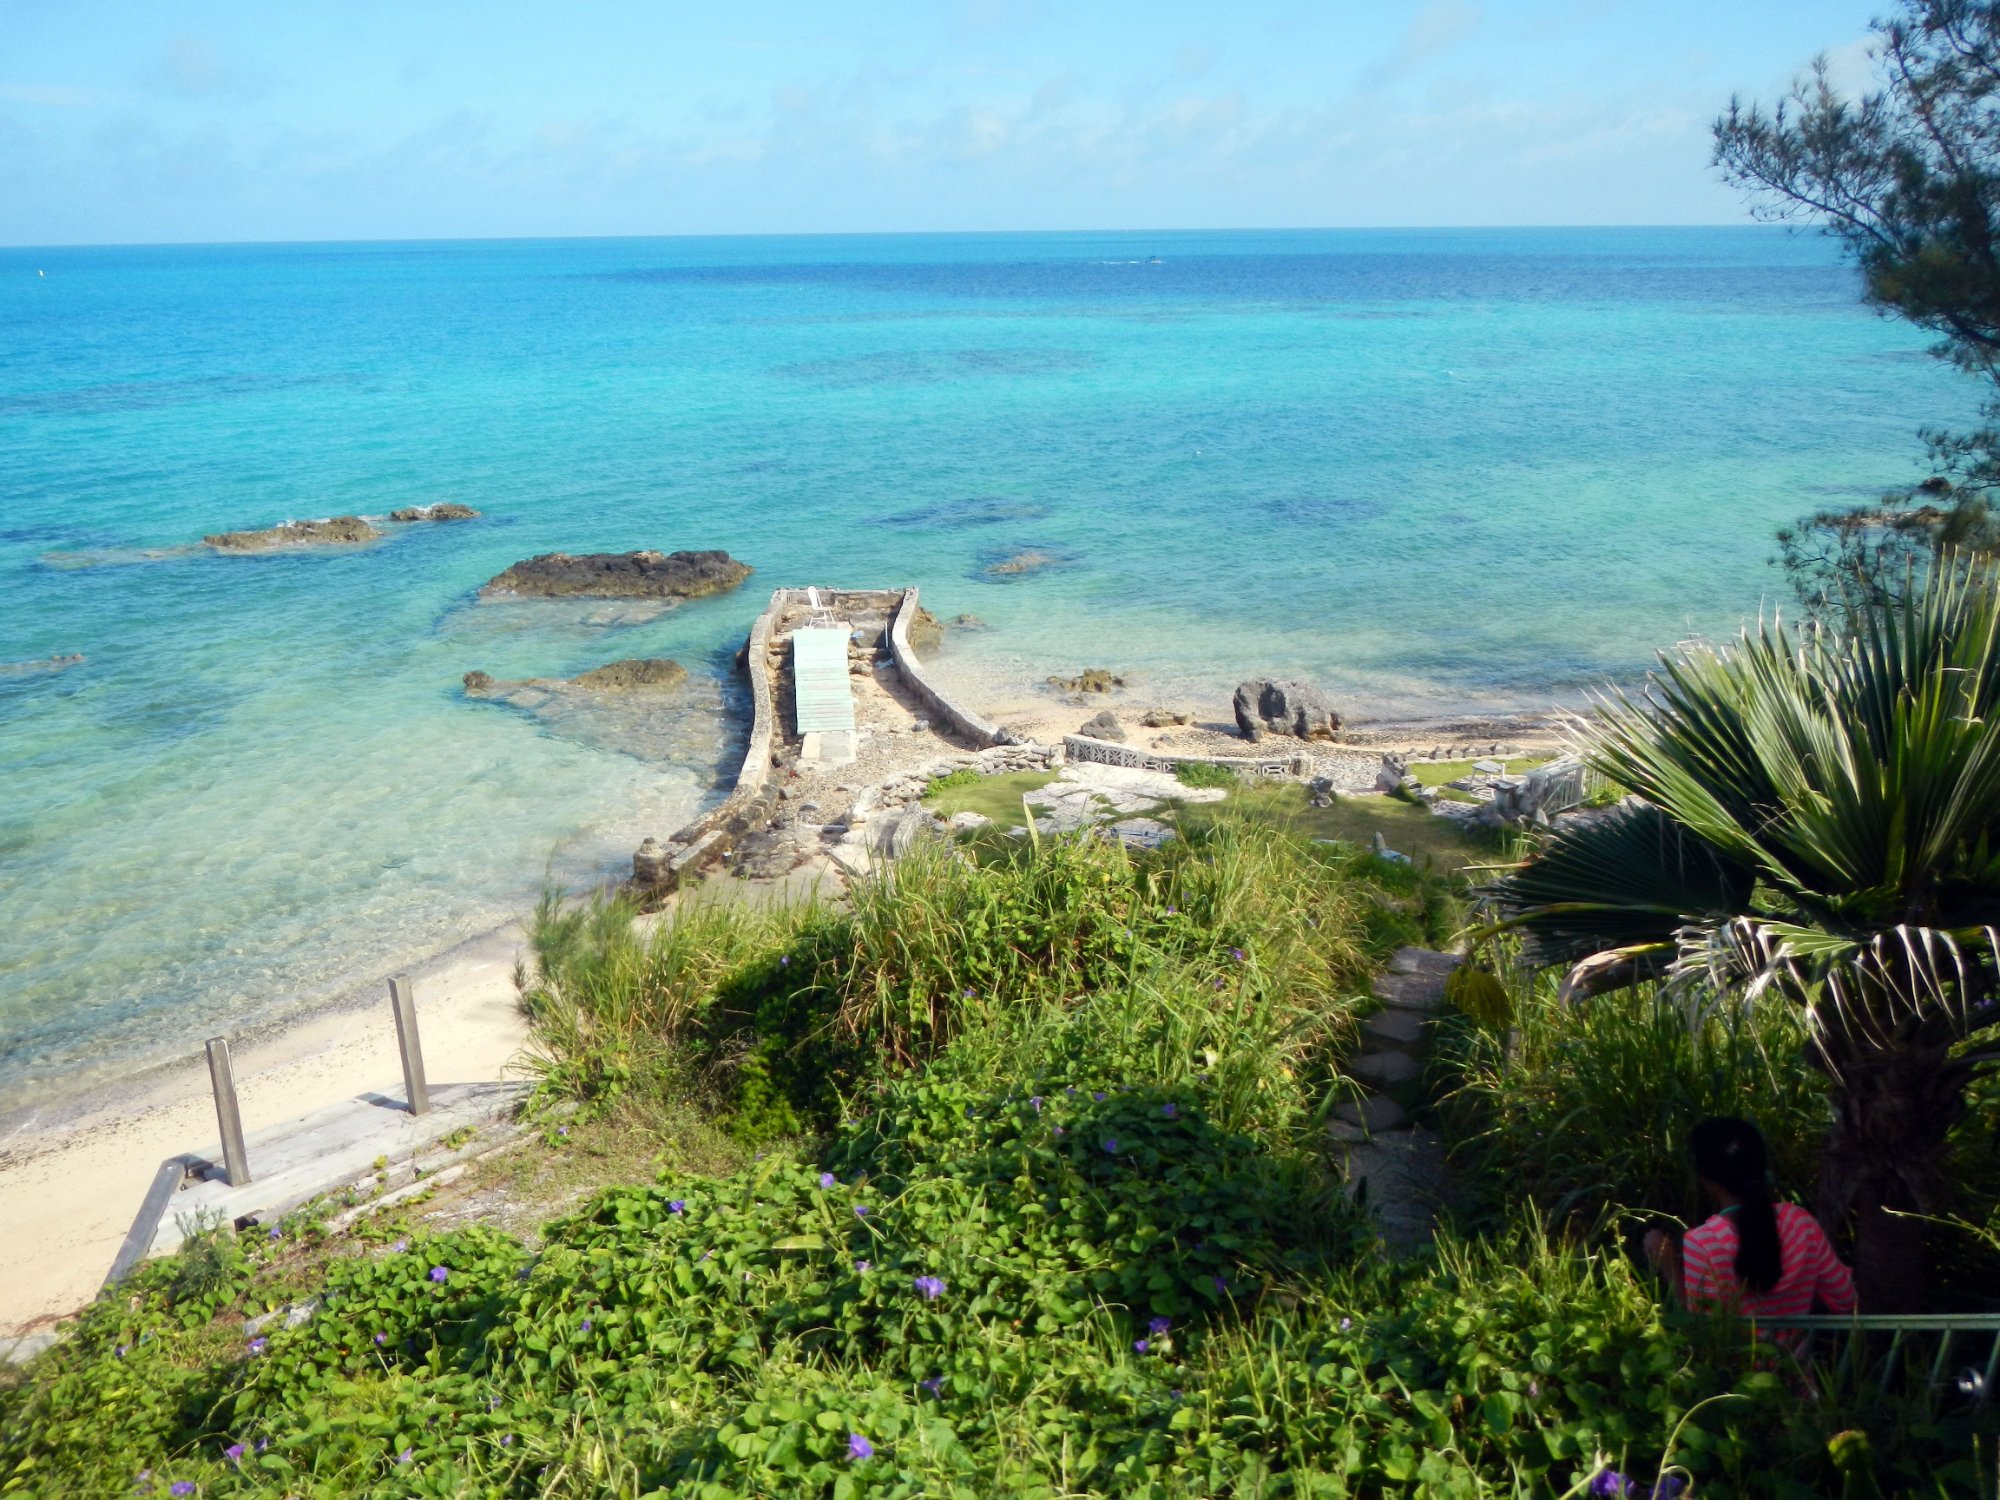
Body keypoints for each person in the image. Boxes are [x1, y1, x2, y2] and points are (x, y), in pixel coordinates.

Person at [1644, 1117, 1856, 1321]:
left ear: (1705, 1178)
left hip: (1737, 1359)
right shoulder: (1799, 1221)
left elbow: (1704, 1331)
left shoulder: (1703, 1242)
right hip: (1798, 1357)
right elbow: (1845, 1298)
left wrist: (1668, 1265)